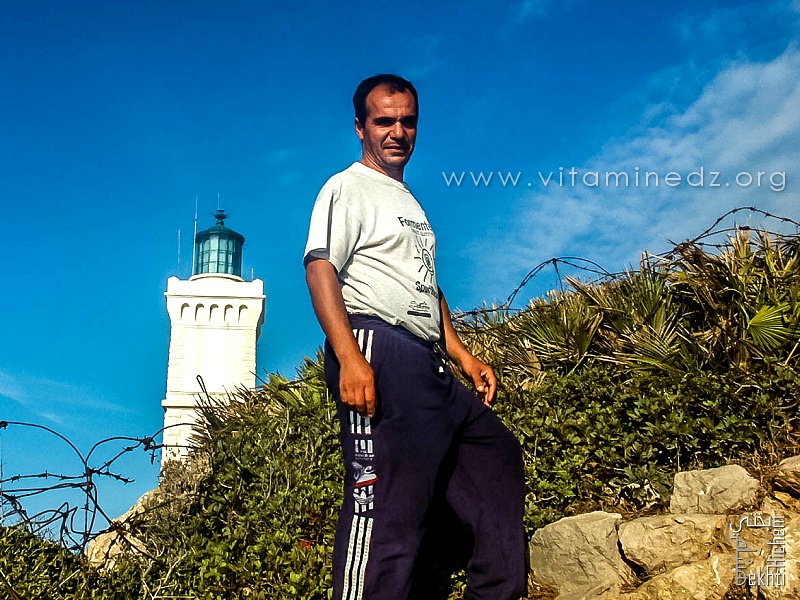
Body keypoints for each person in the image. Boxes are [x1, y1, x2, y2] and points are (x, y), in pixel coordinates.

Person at [303, 73, 527, 600]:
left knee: (494, 455)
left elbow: (425, 285)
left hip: (427, 361)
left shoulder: (407, 201)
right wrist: (350, 358)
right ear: (361, 127)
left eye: (407, 121)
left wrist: (464, 355)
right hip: (377, 348)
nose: (397, 131)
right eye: (384, 121)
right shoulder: (347, 187)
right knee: (386, 511)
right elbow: (319, 269)